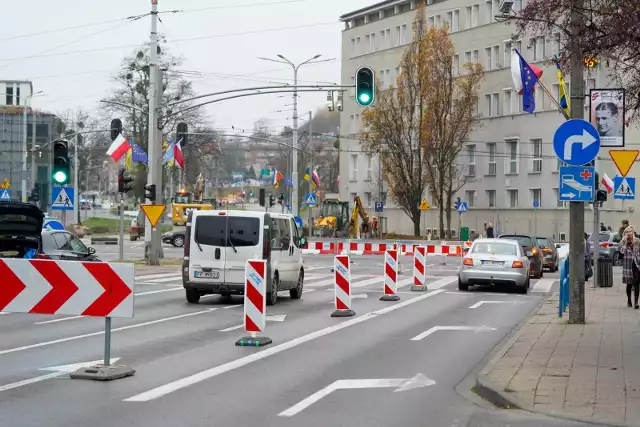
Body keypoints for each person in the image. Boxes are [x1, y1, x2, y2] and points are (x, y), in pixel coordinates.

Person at [619, 225, 640, 308]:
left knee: (637, 283)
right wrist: (625, 243)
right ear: (625, 234)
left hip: (637, 265)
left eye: (630, 231)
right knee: (629, 285)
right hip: (627, 266)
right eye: (627, 232)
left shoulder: (637, 241)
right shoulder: (622, 242)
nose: (629, 233)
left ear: (633, 232)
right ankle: (629, 299)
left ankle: (636, 302)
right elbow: (621, 254)